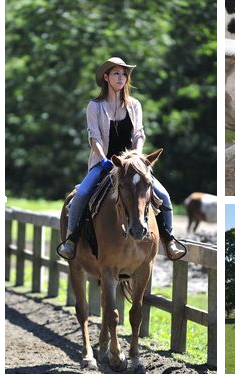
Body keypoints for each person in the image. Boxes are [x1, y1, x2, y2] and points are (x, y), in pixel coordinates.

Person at [56, 57, 186, 261]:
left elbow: (139, 134)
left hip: (133, 165)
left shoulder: (134, 105)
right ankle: (71, 241)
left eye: (124, 74)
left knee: (165, 196)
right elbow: (94, 137)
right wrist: (102, 159)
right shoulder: (94, 106)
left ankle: (169, 240)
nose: (121, 77)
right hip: (106, 163)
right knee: (80, 195)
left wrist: (138, 157)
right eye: (116, 73)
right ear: (106, 77)